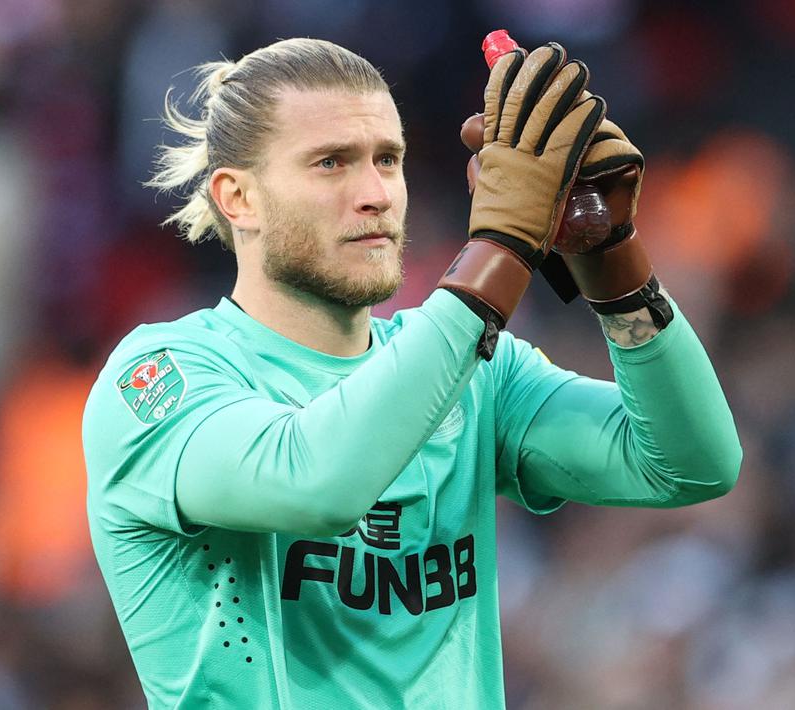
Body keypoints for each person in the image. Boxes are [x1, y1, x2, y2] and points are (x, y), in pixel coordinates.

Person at [82, 37, 741, 708]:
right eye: (330, 163)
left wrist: (611, 260)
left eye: (387, 160)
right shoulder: (161, 378)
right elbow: (315, 482)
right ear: (238, 198)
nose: (373, 193)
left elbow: (690, 463)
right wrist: (499, 249)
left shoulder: (474, 370)